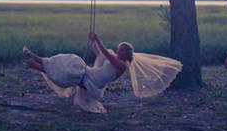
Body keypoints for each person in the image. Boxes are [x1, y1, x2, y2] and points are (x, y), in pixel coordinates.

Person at [23, 32, 182, 113]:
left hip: (93, 83)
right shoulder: (114, 56)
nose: (121, 52)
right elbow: (100, 53)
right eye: (121, 49)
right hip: (90, 74)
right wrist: (93, 40)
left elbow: (106, 54)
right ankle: (33, 60)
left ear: (128, 54)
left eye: (124, 50)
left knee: (66, 75)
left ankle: (34, 62)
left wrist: (98, 40)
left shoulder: (122, 65)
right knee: (69, 63)